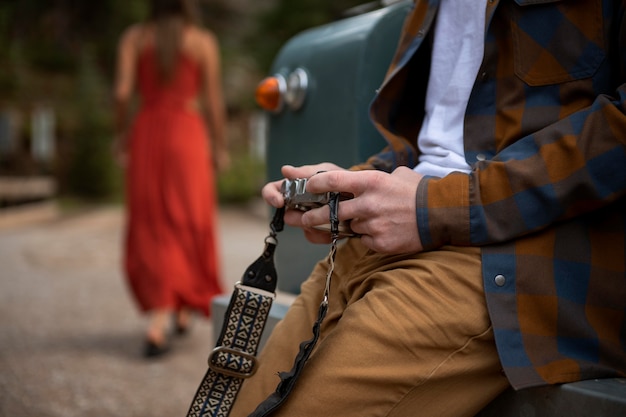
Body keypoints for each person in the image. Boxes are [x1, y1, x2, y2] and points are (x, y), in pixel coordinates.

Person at [230, 0, 626, 416]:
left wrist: (437, 206)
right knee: (242, 405)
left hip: (518, 256)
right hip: (387, 240)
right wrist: (356, 187)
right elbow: (441, 139)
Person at [113, 0, 229, 358]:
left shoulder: (135, 38)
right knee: (187, 219)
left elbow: (121, 93)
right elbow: (213, 101)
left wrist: (120, 135)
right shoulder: (202, 41)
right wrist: (220, 145)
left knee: (154, 222)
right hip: (188, 136)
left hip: (147, 133)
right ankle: (173, 310)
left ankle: (166, 312)